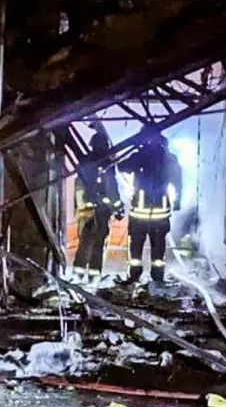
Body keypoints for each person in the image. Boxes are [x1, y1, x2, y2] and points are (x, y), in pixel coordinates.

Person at [120, 134, 182, 285]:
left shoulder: (139, 156)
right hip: (160, 215)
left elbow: (121, 166)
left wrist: (134, 148)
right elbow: (178, 182)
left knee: (136, 248)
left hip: (139, 215)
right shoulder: (169, 158)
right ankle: (158, 277)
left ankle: (134, 276)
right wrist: (178, 200)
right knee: (158, 248)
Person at [73, 122, 120, 283]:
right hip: (101, 210)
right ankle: (94, 275)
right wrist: (118, 207)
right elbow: (111, 187)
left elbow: (78, 184)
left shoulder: (84, 162)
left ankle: (78, 272)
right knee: (98, 242)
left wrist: (81, 205)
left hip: (84, 209)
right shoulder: (107, 165)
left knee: (84, 241)